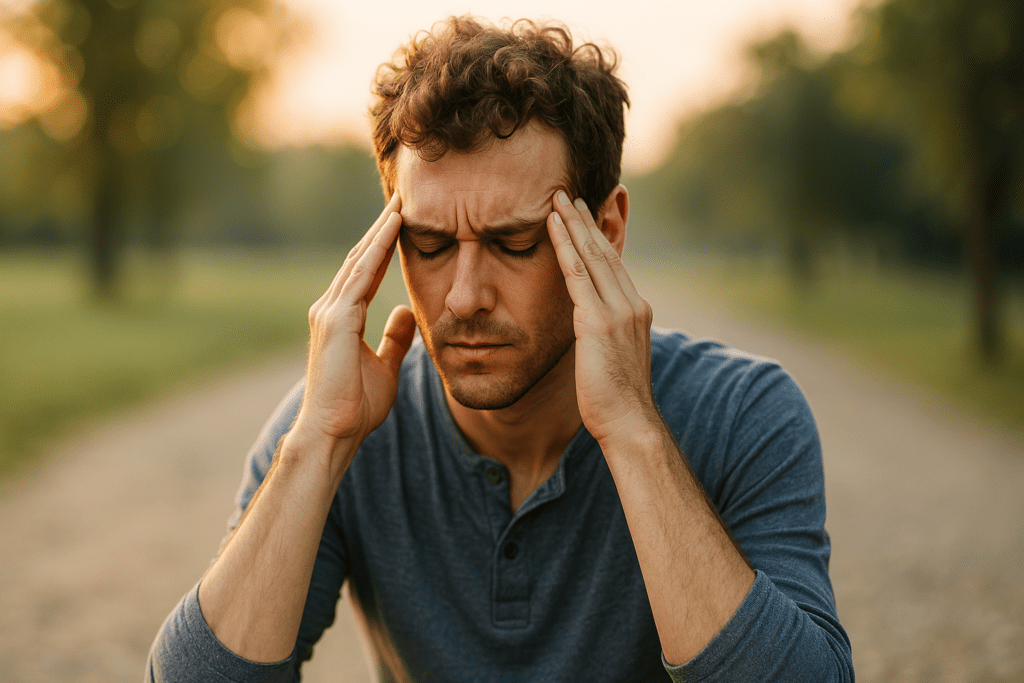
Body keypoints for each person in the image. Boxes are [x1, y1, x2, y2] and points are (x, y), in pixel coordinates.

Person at [147, 15, 853, 683]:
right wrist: (319, 443)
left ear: (606, 230)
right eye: (427, 245)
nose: (462, 296)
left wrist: (633, 432)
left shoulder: (743, 412)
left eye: (514, 243)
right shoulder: (337, 422)